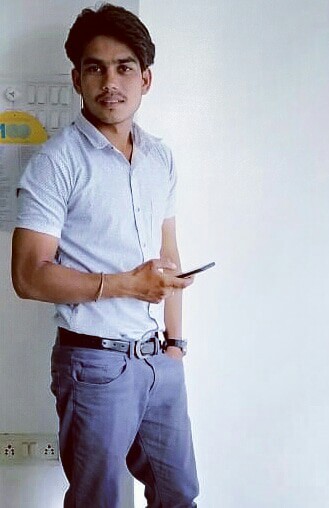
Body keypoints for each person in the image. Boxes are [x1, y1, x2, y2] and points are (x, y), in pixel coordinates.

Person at [11, 4, 199, 507]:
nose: (110, 82)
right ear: (77, 79)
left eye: (124, 68)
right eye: (95, 68)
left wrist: (175, 345)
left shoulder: (159, 156)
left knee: (179, 495)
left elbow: (168, 253)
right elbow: (28, 275)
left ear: (146, 79)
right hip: (94, 365)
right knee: (101, 501)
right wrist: (126, 285)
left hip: (158, 359)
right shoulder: (56, 162)